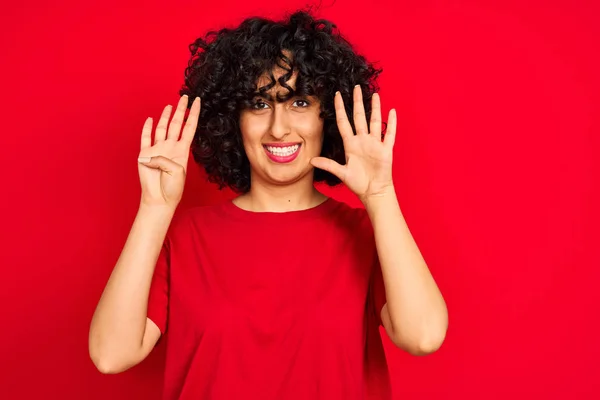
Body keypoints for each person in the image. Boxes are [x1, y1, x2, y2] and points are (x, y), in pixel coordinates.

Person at [88, 9, 448, 400]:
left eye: (299, 102)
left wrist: (380, 196)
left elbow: (423, 336)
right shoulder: (185, 237)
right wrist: (154, 209)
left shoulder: (366, 233)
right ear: (233, 118)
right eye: (259, 104)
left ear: (327, 115)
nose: (279, 128)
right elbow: (110, 355)